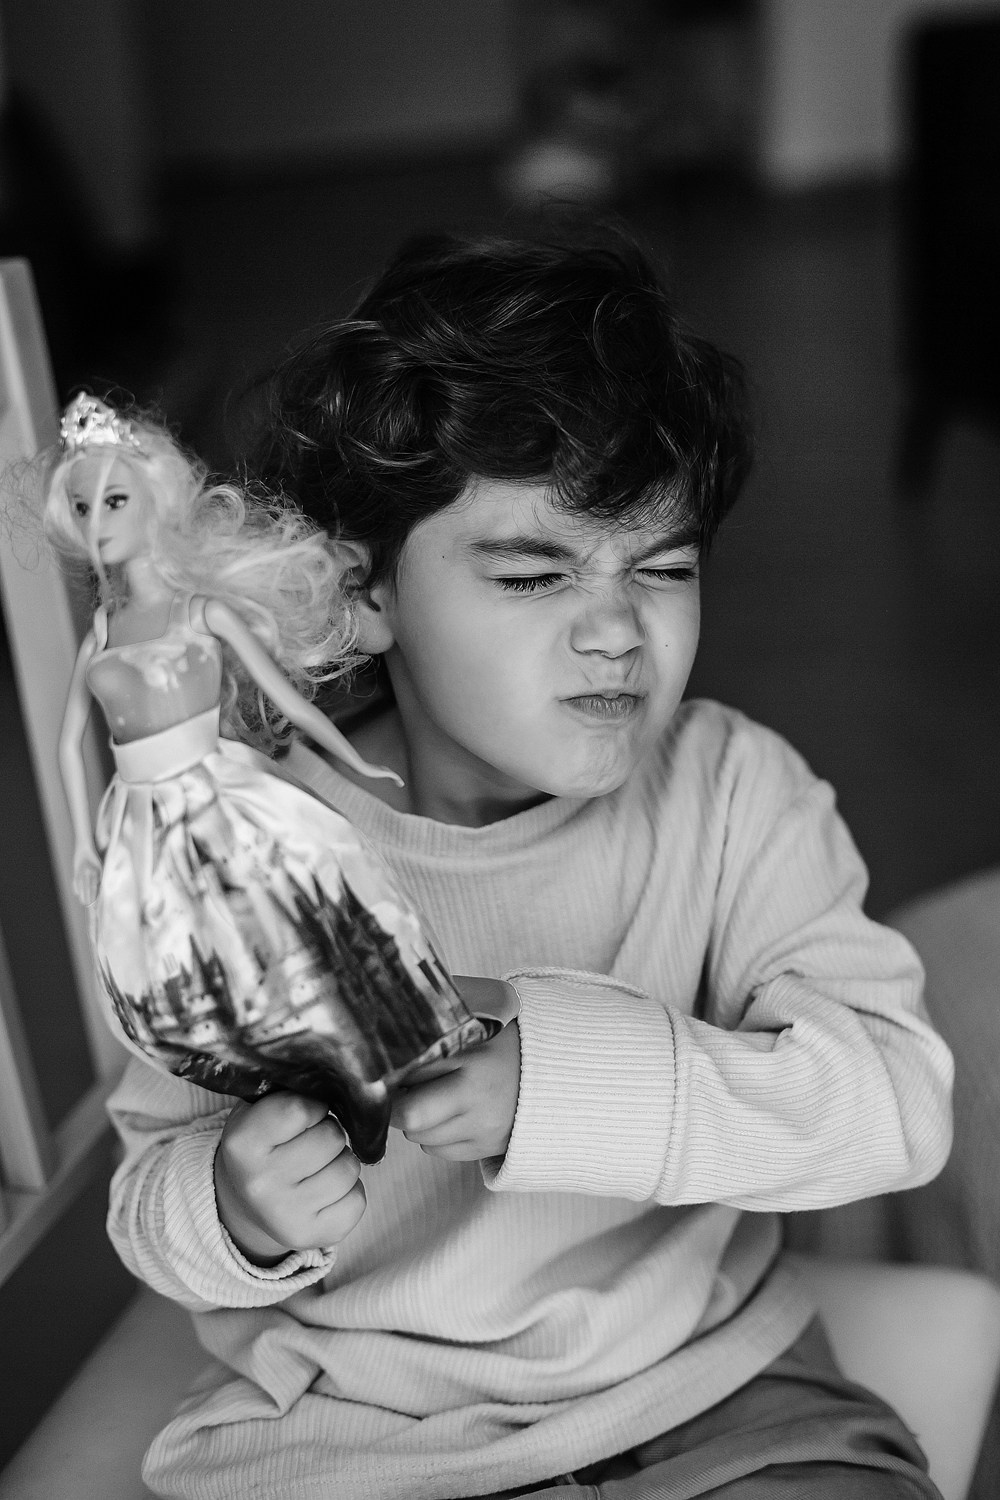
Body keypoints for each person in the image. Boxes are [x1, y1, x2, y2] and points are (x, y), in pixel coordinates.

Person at [105, 230, 954, 1500]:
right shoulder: (246, 849)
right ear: (364, 592)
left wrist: (553, 1090)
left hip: (712, 1387)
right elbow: (147, 1199)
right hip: (367, 1433)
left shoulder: (734, 793)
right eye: (532, 572)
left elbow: (893, 1109)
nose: (615, 628)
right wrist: (236, 1208)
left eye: (663, 567)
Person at [48, 394, 494, 1164]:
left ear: (155, 497)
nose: (97, 522)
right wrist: (85, 843)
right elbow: (65, 746)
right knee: (175, 964)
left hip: (216, 796)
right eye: (82, 507)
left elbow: (292, 704)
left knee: (295, 925)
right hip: (140, 819)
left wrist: (355, 760)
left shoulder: (199, 614)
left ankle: (370, 1059)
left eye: (114, 500)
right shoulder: (101, 630)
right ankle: (283, 1079)